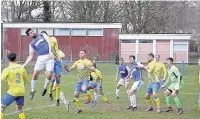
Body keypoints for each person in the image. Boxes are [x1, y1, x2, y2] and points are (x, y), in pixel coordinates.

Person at [23, 28, 54, 100]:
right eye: (30, 33)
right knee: (35, 74)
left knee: (49, 74)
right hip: (40, 58)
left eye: (32, 31)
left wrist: (50, 52)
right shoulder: (31, 44)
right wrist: (24, 65)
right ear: (29, 35)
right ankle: (32, 91)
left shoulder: (42, 34)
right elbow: (31, 56)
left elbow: (49, 42)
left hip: (49, 56)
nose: (32, 33)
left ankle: (45, 88)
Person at [1, 53, 28, 119]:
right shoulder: (21, 67)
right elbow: (26, 80)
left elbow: (1, 79)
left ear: (8, 59)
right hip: (21, 91)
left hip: (13, 92)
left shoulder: (7, 69)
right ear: (16, 58)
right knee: (19, 108)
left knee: (1, 107)